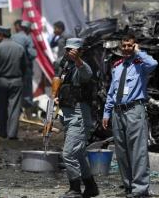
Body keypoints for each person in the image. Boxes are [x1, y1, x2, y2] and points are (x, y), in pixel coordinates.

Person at [102, 33, 158, 198]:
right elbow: (112, 92)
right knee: (122, 151)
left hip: (134, 110)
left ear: (134, 46)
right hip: (118, 112)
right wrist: (106, 112)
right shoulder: (117, 66)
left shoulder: (140, 64)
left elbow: (154, 63)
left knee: (137, 151)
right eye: (124, 45)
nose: (126, 48)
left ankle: (140, 189)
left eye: (130, 45)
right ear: (120, 46)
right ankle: (128, 186)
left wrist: (138, 51)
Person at [57, 38, 99, 198]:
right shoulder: (66, 67)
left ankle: (75, 189)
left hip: (79, 117)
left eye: (73, 50)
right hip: (68, 117)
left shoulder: (82, 66)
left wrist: (78, 60)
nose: (69, 53)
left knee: (68, 154)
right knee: (79, 155)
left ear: (81, 51)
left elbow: (86, 74)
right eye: (67, 49)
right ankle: (91, 187)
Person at [0, 26, 27, 140]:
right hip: (16, 81)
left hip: (1, 81)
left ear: (1, 35)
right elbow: (25, 67)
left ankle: (2, 132)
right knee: (14, 108)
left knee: (1, 108)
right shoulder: (20, 48)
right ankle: (12, 134)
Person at [11, 20, 37, 118]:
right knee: (27, 91)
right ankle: (28, 114)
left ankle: (16, 113)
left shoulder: (12, 37)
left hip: (13, 70)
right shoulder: (27, 38)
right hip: (25, 69)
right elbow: (32, 54)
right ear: (28, 29)